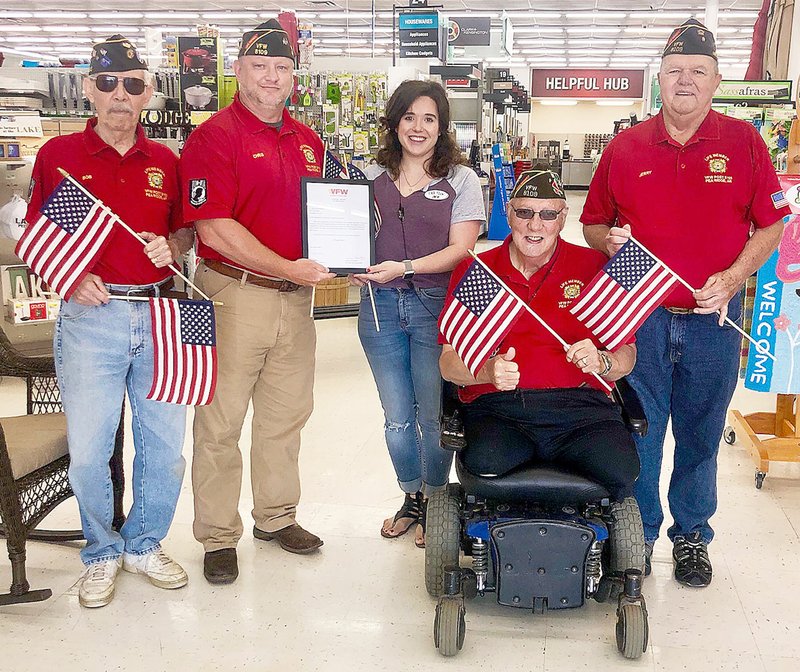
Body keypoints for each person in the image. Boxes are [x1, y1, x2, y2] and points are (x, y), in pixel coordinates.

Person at [581, 18, 790, 587]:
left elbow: (771, 226)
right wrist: (610, 240)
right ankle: (641, 535)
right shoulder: (625, 147)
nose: (685, 80)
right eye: (674, 71)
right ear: (659, 81)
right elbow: (593, 224)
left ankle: (692, 537)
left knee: (700, 435)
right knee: (641, 431)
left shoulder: (744, 142)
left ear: (716, 80)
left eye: (698, 71)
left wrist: (732, 276)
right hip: (638, 319)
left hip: (713, 322)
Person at [25, 35, 194, 608]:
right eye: (107, 83)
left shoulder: (167, 161)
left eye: (132, 84)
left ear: (148, 93)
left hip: (159, 314)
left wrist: (172, 246)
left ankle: (144, 542)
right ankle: (100, 550)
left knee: (164, 446)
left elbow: (186, 230)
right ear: (88, 91)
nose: (120, 95)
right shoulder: (58, 157)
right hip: (88, 319)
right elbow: (37, 237)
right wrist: (70, 279)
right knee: (90, 448)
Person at [180, 20, 334, 585]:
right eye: (260, 66)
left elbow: (322, 220)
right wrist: (288, 267)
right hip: (232, 296)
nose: (272, 76)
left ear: (294, 75)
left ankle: (275, 517)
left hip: (296, 303)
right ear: (238, 72)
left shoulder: (309, 141)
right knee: (220, 422)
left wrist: (346, 259)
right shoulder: (214, 138)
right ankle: (219, 536)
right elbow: (214, 228)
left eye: (283, 67)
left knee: (284, 417)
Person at [439, 168, 639, 500]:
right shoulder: (478, 271)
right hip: (500, 407)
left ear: (563, 218)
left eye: (548, 214)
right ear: (509, 214)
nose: (535, 225)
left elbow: (627, 356)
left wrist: (603, 362)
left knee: (620, 468)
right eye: (525, 212)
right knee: (484, 462)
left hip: (580, 408)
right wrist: (487, 370)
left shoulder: (594, 267)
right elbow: (448, 363)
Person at [352, 80, 484, 548]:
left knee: (432, 414)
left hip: (436, 309)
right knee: (395, 418)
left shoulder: (462, 181)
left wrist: (403, 268)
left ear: (442, 126)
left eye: (429, 118)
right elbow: (348, 236)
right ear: (394, 121)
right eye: (409, 117)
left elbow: (461, 250)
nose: (418, 127)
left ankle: (436, 499)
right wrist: (351, 264)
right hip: (379, 308)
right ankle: (411, 496)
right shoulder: (366, 178)